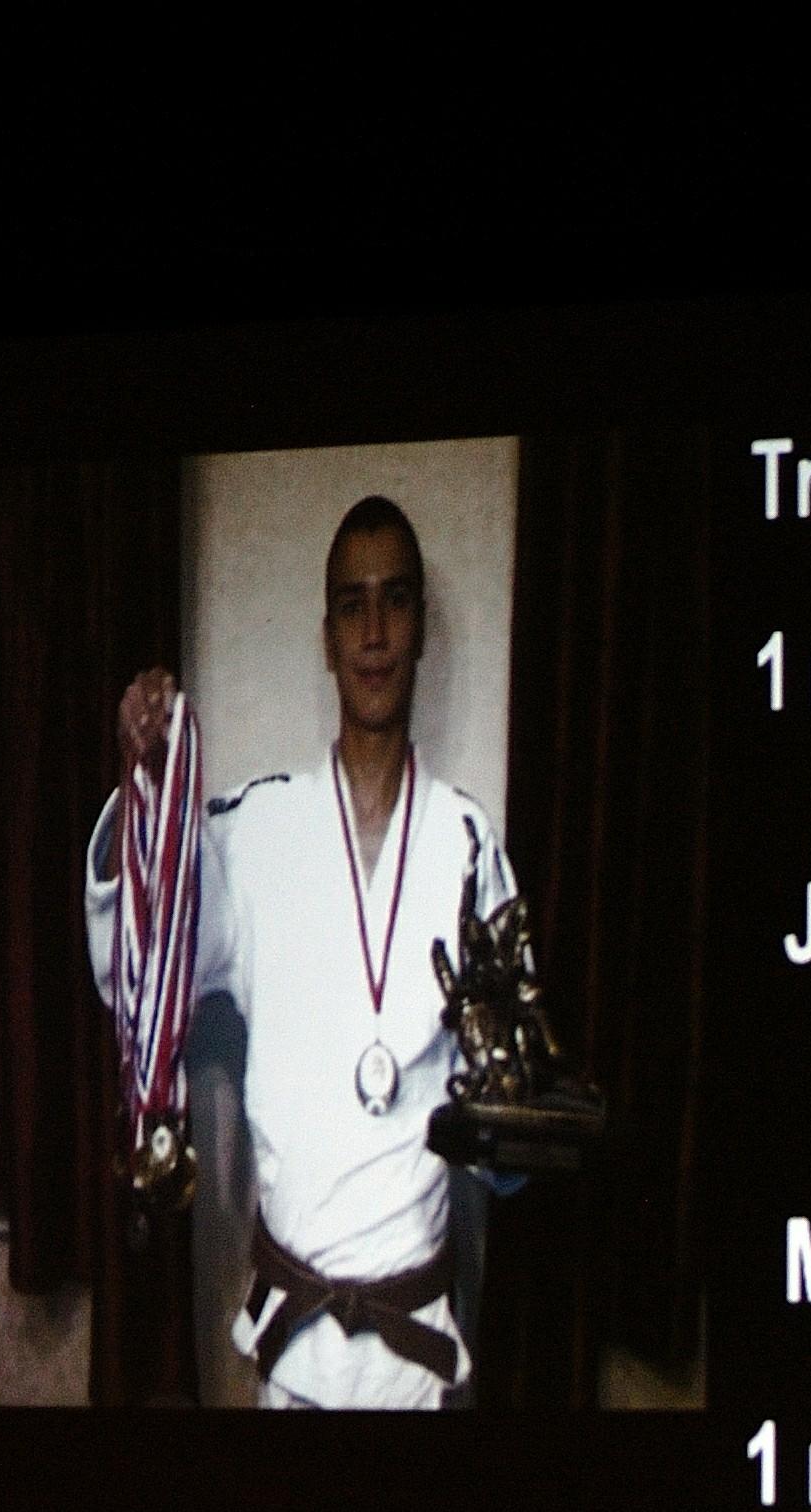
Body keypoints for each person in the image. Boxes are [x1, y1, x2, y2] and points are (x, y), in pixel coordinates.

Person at [85, 496, 517, 1409]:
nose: (374, 633)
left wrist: (516, 1139)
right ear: (326, 637)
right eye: (352, 605)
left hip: (417, 1358)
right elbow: (137, 974)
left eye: (395, 600)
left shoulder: (469, 845)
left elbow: (506, 1116)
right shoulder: (256, 833)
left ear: (422, 625)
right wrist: (148, 786)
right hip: (293, 1352)